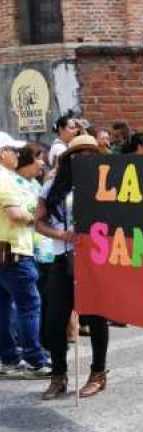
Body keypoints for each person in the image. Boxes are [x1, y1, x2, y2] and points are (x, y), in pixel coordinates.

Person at [36, 135, 110, 399]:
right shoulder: (53, 186)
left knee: (96, 318)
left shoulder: (107, 184)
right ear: (69, 157)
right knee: (55, 321)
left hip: (95, 261)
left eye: (90, 152)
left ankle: (98, 374)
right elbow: (39, 223)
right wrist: (62, 236)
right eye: (79, 153)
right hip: (62, 259)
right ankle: (58, 376)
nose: (84, 157)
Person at [0, 136, 51, 378]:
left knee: (3, 307)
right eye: (14, 151)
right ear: (3, 153)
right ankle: (35, 360)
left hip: (3, 251)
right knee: (29, 306)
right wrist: (36, 220)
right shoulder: (4, 178)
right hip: (14, 251)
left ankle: (8, 358)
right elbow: (16, 214)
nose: (18, 156)